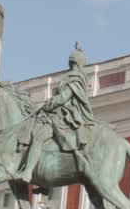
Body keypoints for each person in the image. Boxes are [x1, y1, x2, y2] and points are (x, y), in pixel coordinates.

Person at [15, 43, 95, 183]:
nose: (70, 65)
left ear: (73, 62)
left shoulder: (74, 79)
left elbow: (64, 97)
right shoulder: (77, 78)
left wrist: (49, 103)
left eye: (71, 63)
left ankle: (27, 172)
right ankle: (45, 185)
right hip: (62, 114)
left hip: (64, 116)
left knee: (38, 137)